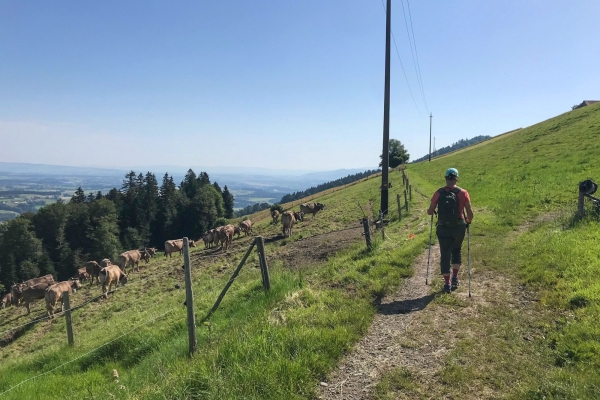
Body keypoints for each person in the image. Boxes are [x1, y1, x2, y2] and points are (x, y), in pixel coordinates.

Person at [427, 168, 474, 293]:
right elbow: (470, 213)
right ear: (456, 178)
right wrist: (468, 221)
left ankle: (447, 284)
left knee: (445, 253)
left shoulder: (439, 193)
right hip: (458, 227)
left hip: (443, 228)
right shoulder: (463, 193)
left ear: (446, 178)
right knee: (456, 250)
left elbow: (429, 212)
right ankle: (455, 277)